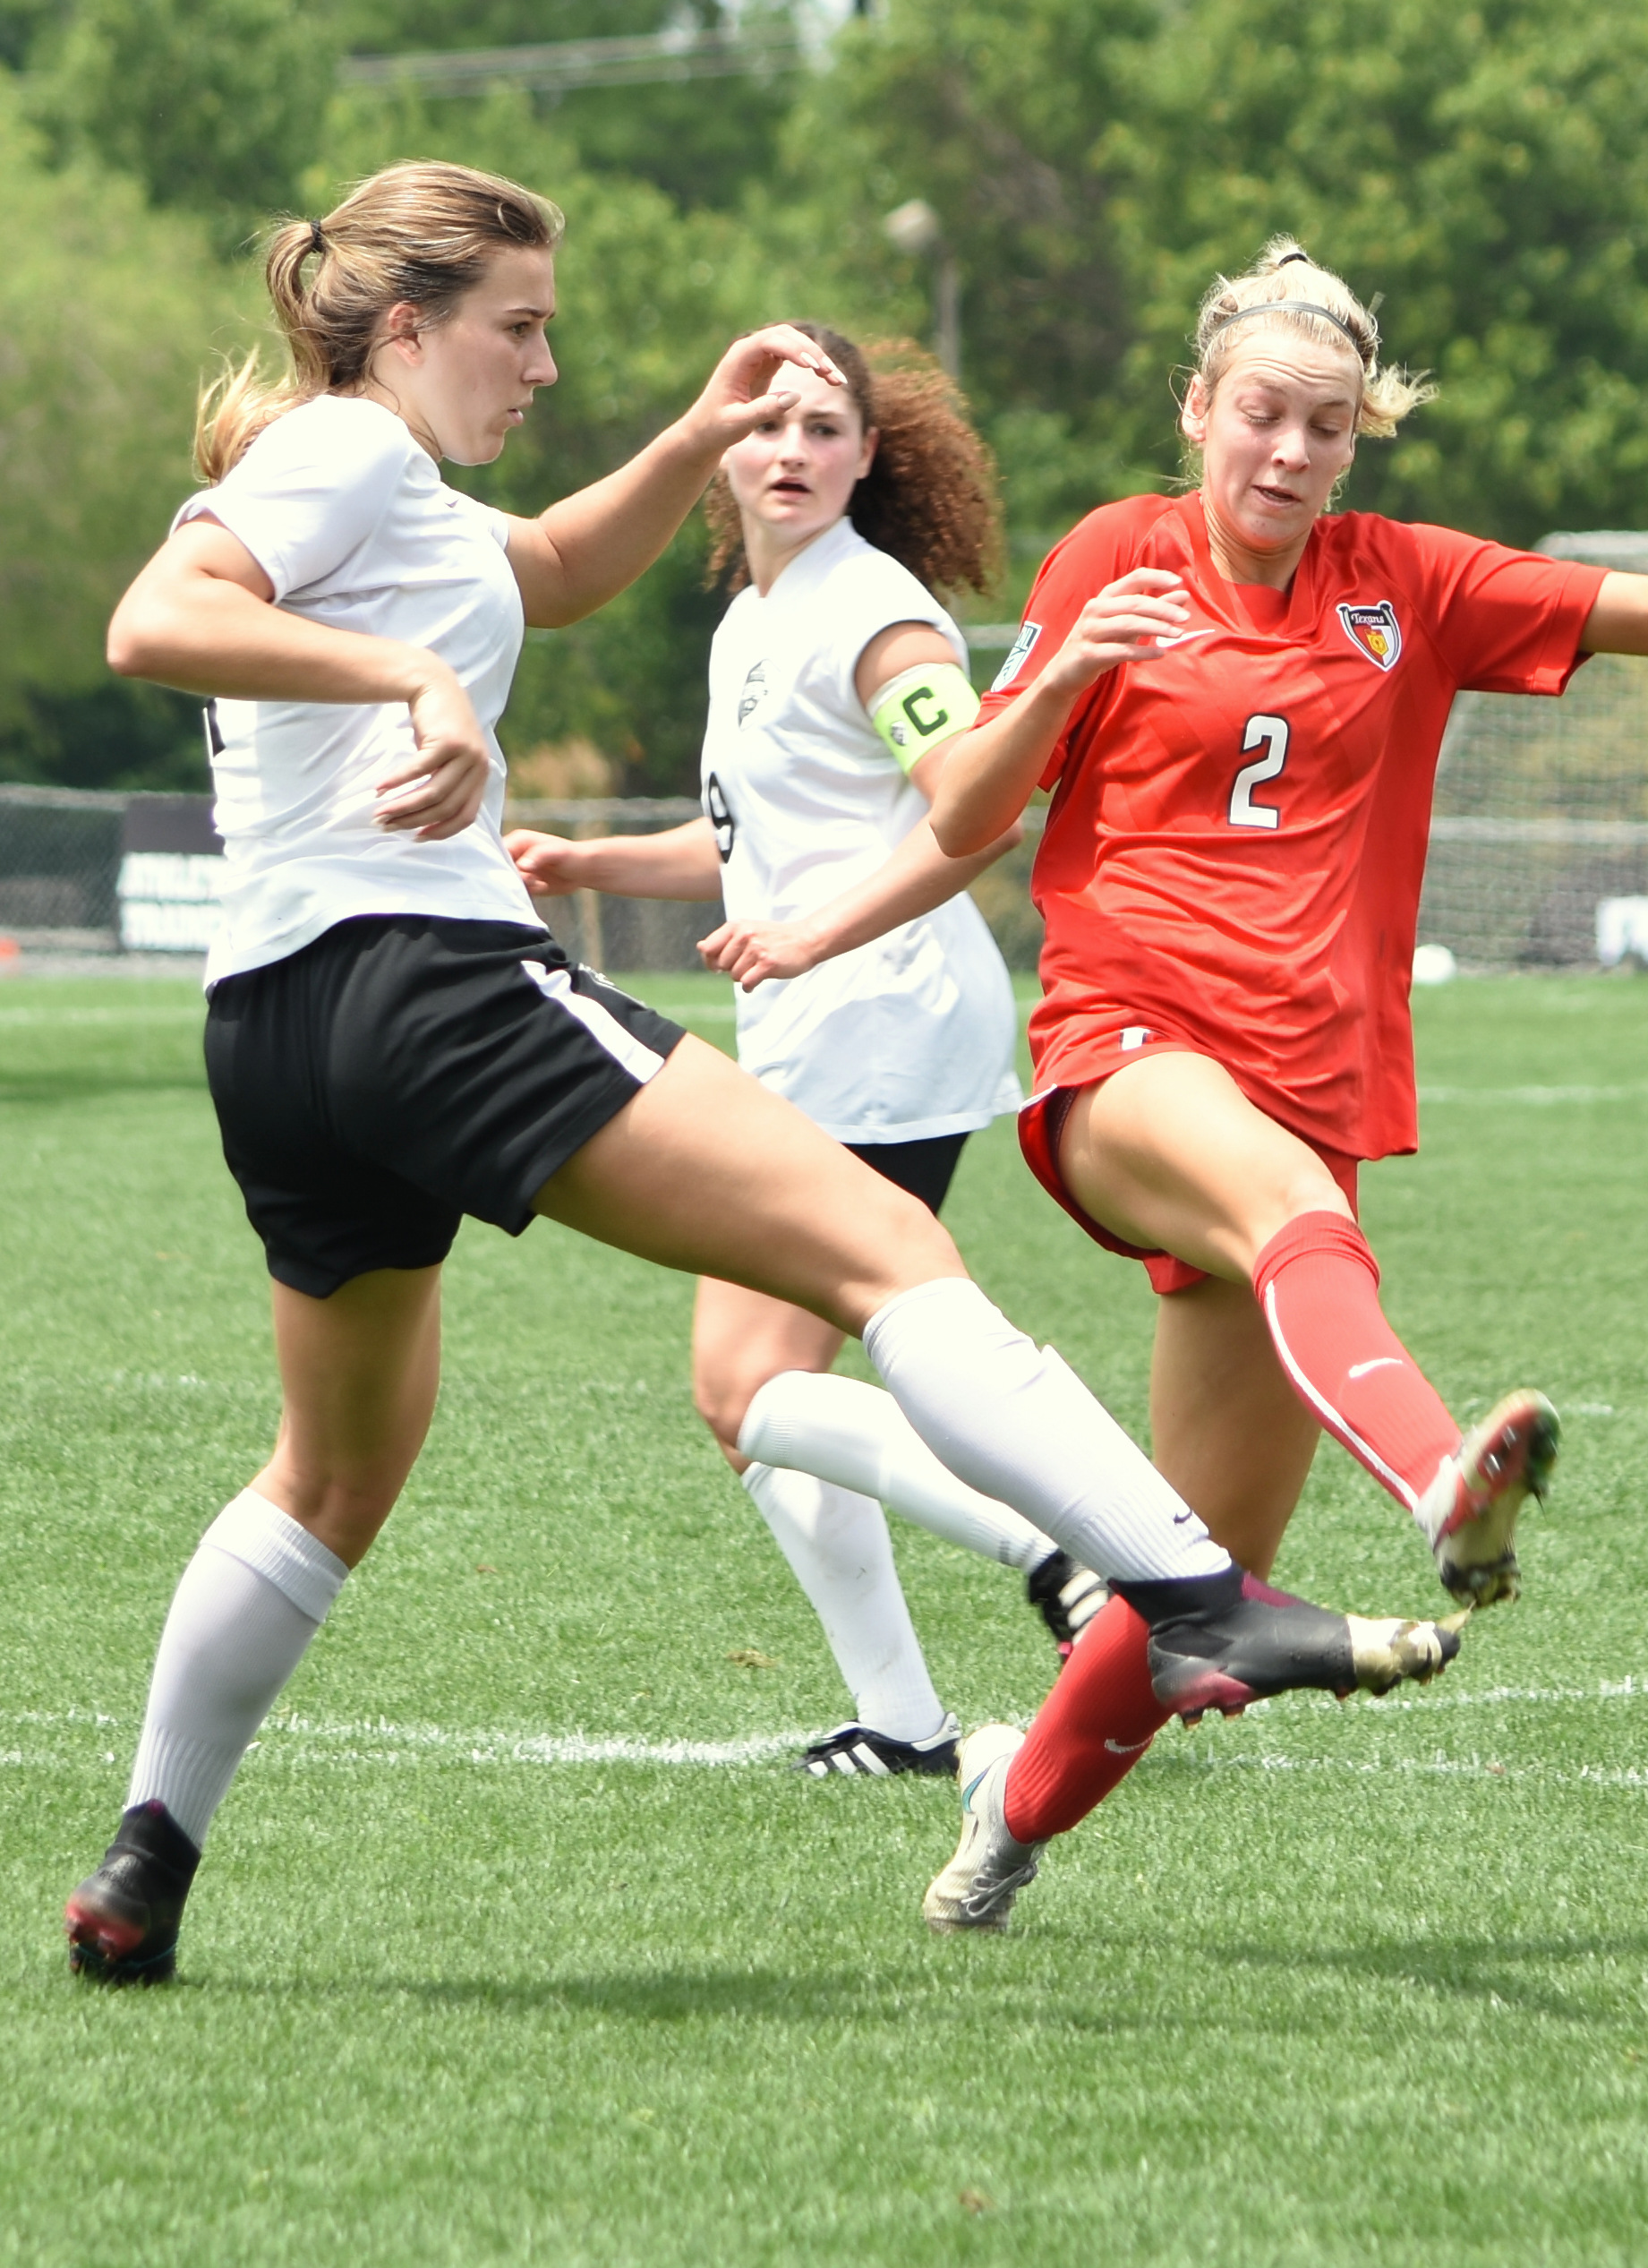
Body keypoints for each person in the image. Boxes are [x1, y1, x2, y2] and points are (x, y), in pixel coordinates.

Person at [62, 166, 1457, 1988]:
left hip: (274, 1033)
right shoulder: (337, 457)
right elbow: (151, 620)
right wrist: (411, 681)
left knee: (336, 1471)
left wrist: (695, 432)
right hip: (423, 985)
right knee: (890, 1269)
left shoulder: (401, 488)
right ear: (403, 329)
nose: (548, 364)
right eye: (521, 326)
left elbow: (551, 568)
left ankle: (142, 1864)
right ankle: (1183, 1597)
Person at [905, 238, 1648, 1930]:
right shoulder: (1111, 552)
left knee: (1189, 1589)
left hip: (1306, 1081)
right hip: (1127, 1052)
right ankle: (1436, 1483)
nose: (1287, 451)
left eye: (1325, 425)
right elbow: (964, 812)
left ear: (1357, 436)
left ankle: (1003, 1820)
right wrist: (1067, 665)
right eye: (1259, 412)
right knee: (1292, 1213)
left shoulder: (1401, 580)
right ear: (1197, 407)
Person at [506, 322, 1106, 1783]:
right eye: (764, 423)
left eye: (823, 426)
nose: (789, 449)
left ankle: (1078, 1546)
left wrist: (822, 932)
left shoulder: (876, 613)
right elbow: (755, 857)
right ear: (721, 447)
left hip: (886, 1019)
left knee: (747, 1381)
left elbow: (969, 806)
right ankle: (902, 1716)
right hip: (815, 1016)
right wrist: (590, 856)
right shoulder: (749, 619)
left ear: (865, 455)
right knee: (762, 1415)